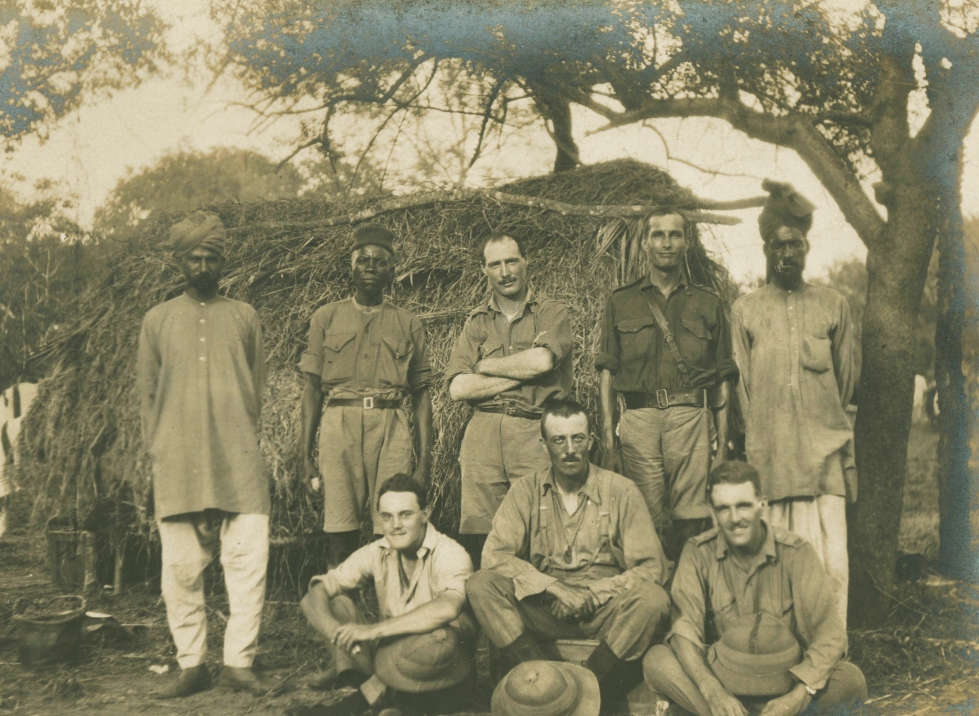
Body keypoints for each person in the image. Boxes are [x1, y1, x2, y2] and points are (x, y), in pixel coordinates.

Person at [137, 210, 274, 698]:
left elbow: (255, 388)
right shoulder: (156, 320)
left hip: (237, 456)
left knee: (246, 561)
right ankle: (192, 664)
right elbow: (147, 395)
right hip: (177, 461)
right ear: (179, 261)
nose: (201, 265)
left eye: (210, 257)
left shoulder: (244, 316)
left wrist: (236, 432)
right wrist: (161, 451)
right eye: (193, 257)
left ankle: (239, 662)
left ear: (222, 261)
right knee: (179, 571)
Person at [466, 399, 671, 693]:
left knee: (652, 598)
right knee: (481, 584)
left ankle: (583, 689)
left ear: (591, 440)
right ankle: (542, 675)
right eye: (558, 440)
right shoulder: (525, 490)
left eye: (577, 438)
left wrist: (593, 593)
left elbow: (652, 568)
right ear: (543, 445)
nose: (570, 449)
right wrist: (554, 588)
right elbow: (495, 556)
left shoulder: (621, 490)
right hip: (547, 613)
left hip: (606, 614)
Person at [643, 461, 866, 716]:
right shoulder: (697, 553)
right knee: (658, 660)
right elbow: (685, 633)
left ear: (763, 504)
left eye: (743, 506)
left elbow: (830, 637)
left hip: (784, 684)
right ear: (713, 512)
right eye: (724, 509)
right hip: (725, 683)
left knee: (850, 679)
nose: (735, 518)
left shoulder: (796, 553)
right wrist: (712, 691)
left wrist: (796, 699)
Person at [730, 181, 857, 625]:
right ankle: (782, 657)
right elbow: (741, 389)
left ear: (808, 248)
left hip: (825, 461)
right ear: (767, 250)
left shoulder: (833, 304)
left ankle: (834, 661)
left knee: (832, 567)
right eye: (778, 245)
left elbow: (847, 386)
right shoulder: (746, 309)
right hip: (770, 458)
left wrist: (823, 428)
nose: (787, 254)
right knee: (777, 569)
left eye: (795, 244)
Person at [596, 209, 738, 559]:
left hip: (691, 420)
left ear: (686, 243)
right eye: (658, 235)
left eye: (675, 235)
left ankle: (688, 599)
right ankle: (652, 601)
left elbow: (723, 379)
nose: (666, 243)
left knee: (693, 520)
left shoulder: (708, 302)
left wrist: (721, 450)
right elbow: (606, 375)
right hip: (639, 421)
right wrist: (609, 442)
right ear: (645, 243)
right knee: (643, 519)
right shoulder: (620, 301)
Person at [300, 225, 434, 568]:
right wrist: (305, 456)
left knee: (393, 523)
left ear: (392, 270)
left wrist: (424, 464)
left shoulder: (408, 324)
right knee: (339, 526)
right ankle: (343, 610)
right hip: (338, 425)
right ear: (352, 267)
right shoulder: (325, 317)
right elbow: (312, 389)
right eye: (363, 260)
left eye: (380, 261)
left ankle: (390, 609)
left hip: (391, 427)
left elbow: (421, 396)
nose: (371, 267)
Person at [290, 474, 475, 716]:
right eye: (387, 517)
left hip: (444, 670)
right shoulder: (378, 551)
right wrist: (335, 632)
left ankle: (362, 705)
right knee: (335, 601)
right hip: (390, 663)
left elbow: (448, 608)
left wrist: (373, 630)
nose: (395, 525)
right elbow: (315, 594)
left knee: (439, 635)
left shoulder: (449, 552)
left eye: (405, 514)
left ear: (425, 514)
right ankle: (391, 702)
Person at [445, 232, 573, 564]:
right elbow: (458, 388)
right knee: (483, 533)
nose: (505, 272)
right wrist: (520, 373)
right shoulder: (477, 322)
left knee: (540, 525)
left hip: (532, 428)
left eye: (511, 261)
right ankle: (492, 607)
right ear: (484, 270)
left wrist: (485, 367)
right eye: (495, 264)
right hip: (483, 432)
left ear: (526, 263)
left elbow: (542, 361)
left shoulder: (551, 312)